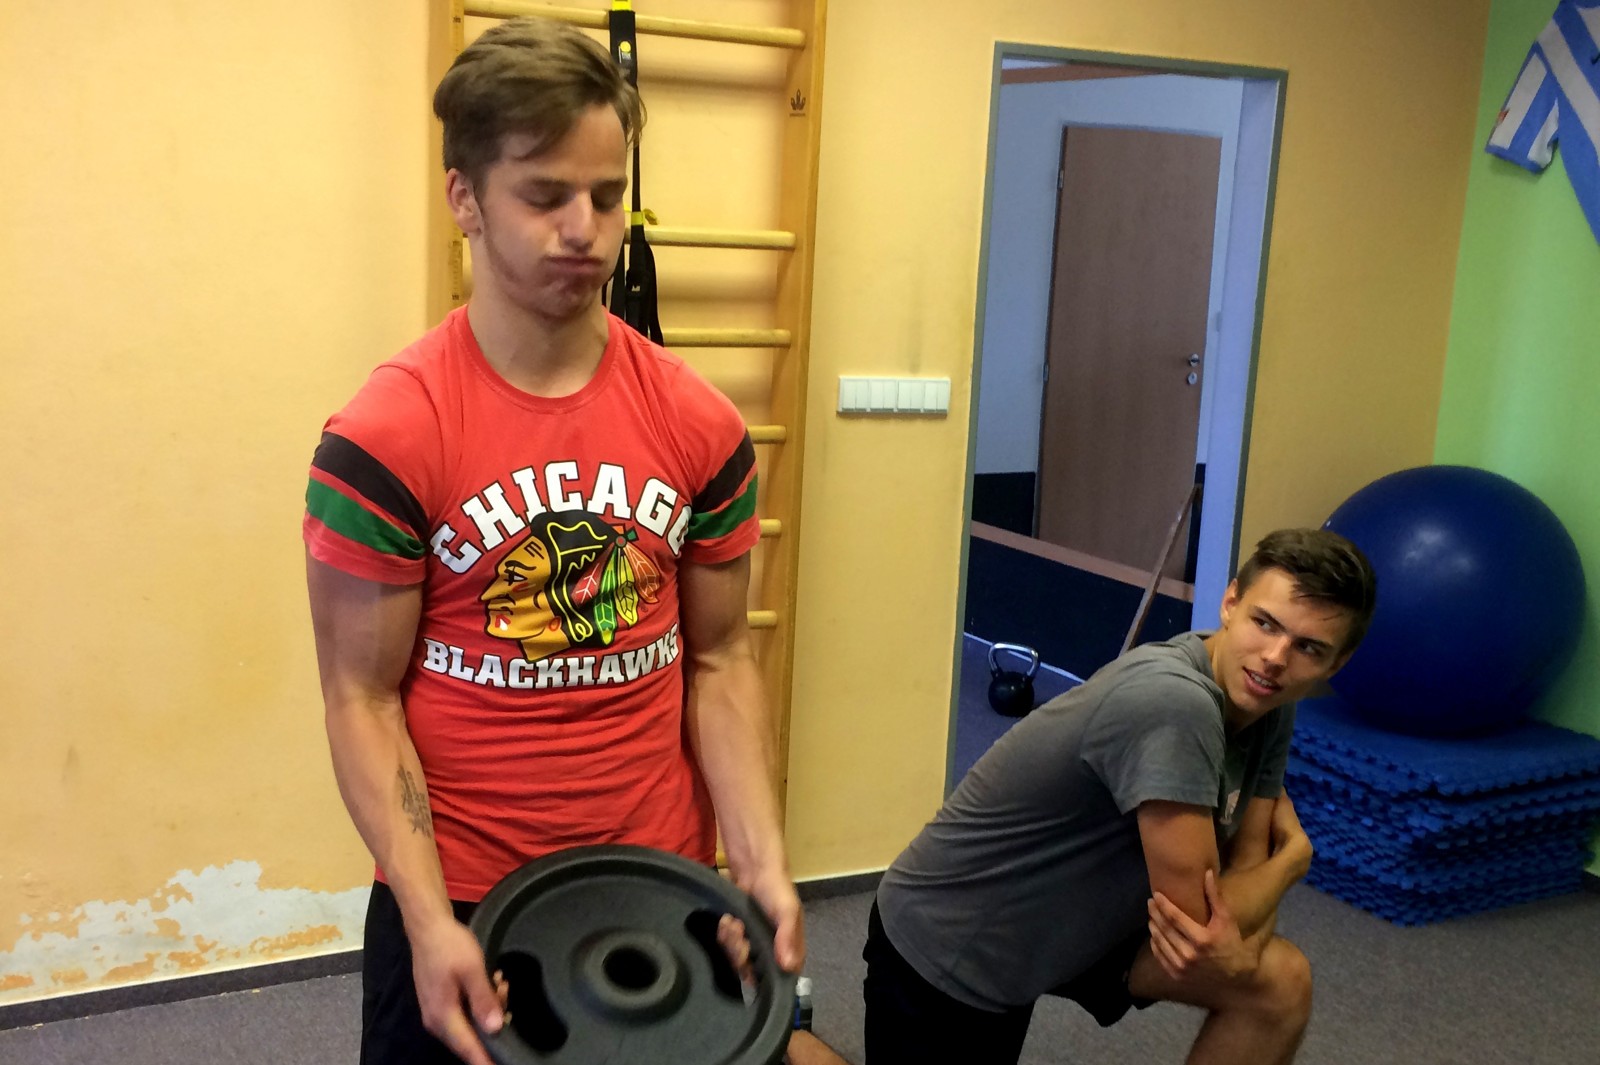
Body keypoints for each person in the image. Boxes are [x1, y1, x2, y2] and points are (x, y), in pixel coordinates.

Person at [301, 17, 801, 1065]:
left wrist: (759, 860)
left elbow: (719, 659)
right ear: (465, 198)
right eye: (544, 196)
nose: (584, 229)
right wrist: (427, 917)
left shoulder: (700, 424)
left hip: (655, 881)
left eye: (607, 197)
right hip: (464, 899)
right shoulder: (386, 439)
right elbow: (362, 700)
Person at [864, 528, 1377, 1064]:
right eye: (1265, 622)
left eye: (1308, 647)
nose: (1275, 657)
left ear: (1336, 663)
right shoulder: (1175, 703)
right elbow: (1202, 920)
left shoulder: (1269, 701)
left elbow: (1247, 863)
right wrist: (1293, 862)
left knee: (1279, 983)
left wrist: (1241, 955)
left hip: (1091, 919)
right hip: (959, 938)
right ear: (1231, 603)